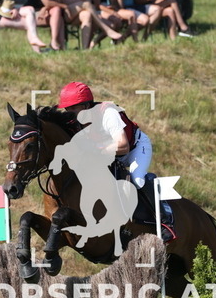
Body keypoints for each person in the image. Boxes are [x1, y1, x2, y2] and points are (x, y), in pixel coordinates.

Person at [57, 82, 176, 241]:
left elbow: (123, 146)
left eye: (73, 108)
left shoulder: (108, 114)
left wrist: (96, 150)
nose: (69, 113)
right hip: (109, 154)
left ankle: (166, 221)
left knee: (137, 179)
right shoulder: (74, 122)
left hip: (134, 149)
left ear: (86, 105)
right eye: (67, 109)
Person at [57, 0, 124, 49]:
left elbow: (86, 0)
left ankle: (85, 48)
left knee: (87, 15)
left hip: (79, 11)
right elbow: (61, 2)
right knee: (87, 4)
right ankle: (107, 30)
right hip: (66, 12)